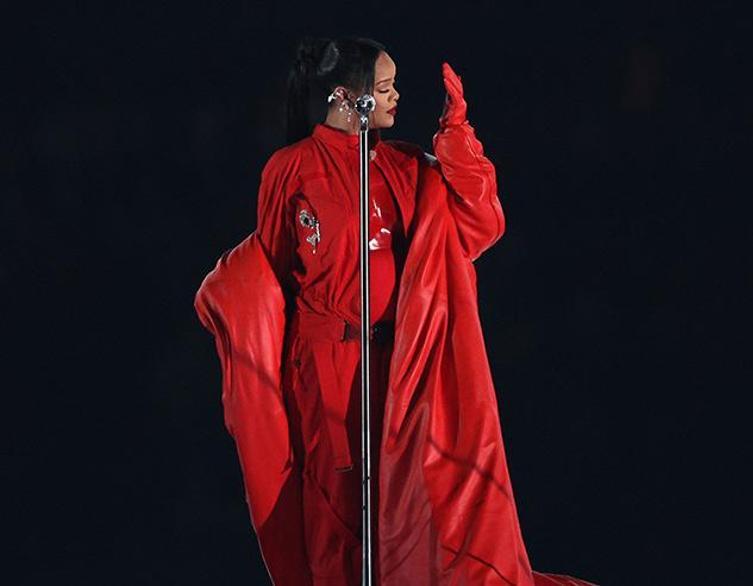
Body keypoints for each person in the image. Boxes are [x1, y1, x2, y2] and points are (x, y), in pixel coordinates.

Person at [194, 36, 598, 586]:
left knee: (404, 501)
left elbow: (480, 224)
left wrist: (457, 138)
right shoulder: (291, 169)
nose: (396, 96)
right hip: (325, 363)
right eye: (384, 88)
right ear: (346, 97)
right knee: (336, 502)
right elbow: (274, 275)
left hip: (401, 363)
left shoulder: (406, 166)